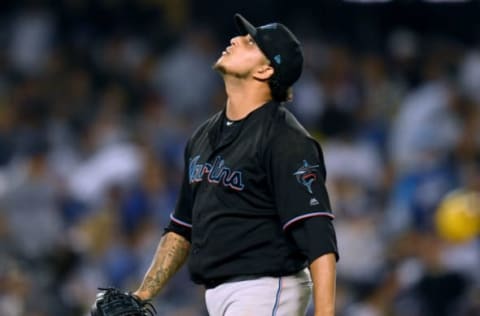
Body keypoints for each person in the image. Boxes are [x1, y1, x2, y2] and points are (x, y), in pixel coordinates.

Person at [133, 13, 339, 316]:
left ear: (266, 69)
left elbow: (318, 235)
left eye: (251, 42)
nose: (236, 40)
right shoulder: (203, 135)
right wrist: (142, 294)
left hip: (267, 288)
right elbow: (181, 227)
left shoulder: (285, 139)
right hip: (221, 294)